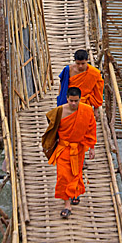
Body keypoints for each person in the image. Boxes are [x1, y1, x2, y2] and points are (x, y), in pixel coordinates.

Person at [42, 87, 96, 218]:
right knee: (63, 176)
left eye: (76, 101)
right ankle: (67, 205)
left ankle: (75, 193)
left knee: (75, 173)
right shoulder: (59, 112)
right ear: (67, 99)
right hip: (63, 148)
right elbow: (51, 124)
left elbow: (91, 128)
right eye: (71, 101)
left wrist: (92, 147)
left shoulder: (87, 110)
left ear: (80, 99)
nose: (73, 104)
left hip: (78, 148)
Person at [57, 49, 104, 120]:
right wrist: (60, 98)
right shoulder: (68, 70)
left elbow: (97, 91)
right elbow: (62, 85)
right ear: (75, 61)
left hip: (85, 103)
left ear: (87, 60)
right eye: (78, 63)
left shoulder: (94, 73)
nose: (80, 66)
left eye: (83, 63)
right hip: (70, 102)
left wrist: (96, 109)